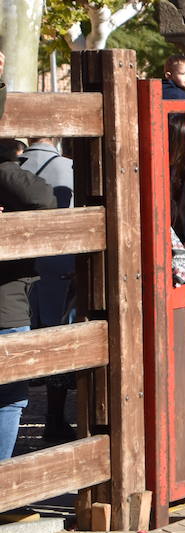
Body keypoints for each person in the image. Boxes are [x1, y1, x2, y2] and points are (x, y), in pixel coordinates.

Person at [17, 134, 78, 442]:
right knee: (59, 340)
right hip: (61, 264)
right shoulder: (69, 168)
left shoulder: (14, 167)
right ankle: (54, 418)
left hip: (18, 266)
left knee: (19, 338)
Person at [0, 140, 58, 460]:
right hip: (6, 302)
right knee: (9, 397)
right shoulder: (7, 174)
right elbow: (43, 196)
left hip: (9, 299)